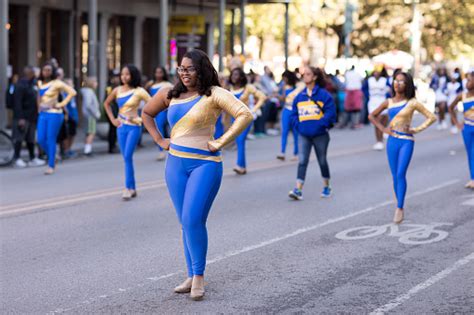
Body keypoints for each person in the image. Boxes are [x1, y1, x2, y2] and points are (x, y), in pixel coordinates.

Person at [141, 49, 252, 301]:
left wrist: (220, 142)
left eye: (189, 68)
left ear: (201, 69)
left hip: (205, 165)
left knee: (192, 219)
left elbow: (245, 114)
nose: (184, 73)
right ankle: (191, 274)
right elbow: (147, 113)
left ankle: (199, 277)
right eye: (181, 68)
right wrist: (160, 139)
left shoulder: (214, 94)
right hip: (175, 166)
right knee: (185, 222)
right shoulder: (170, 94)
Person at [369, 72, 436, 224]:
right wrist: (383, 129)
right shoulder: (388, 102)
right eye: (396, 80)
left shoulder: (412, 102)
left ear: (408, 85)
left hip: (407, 141)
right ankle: (398, 201)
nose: (397, 83)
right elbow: (371, 116)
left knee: (400, 173)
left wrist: (416, 129)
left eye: (402, 81)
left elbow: (432, 117)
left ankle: (400, 207)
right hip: (392, 141)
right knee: (394, 175)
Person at [288, 66, 337, 200]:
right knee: (302, 160)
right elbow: (293, 115)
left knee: (322, 160)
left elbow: (331, 113)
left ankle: (327, 186)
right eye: (304, 74)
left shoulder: (324, 95)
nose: (305, 76)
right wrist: (299, 126)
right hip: (304, 134)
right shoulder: (299, 96)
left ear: (315, 77)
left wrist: (320, 124)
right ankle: (298, 189)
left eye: (308, 74)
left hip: (320, 134)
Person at [104, 65, 151, 200]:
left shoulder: (140, 91)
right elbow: (106, 103)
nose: (124, 77)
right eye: (122, 74)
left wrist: (140, 118)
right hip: (121, 127)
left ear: (133, 76)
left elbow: (154, 105)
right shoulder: (117, 90)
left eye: (127, 74)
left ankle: (127, 188)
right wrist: (113, 119)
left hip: (134, 127)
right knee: (126, 158)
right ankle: (133, 188)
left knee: (128, 156)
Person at [37, 62, 77, 175]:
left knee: (51, 138)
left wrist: (60, 104)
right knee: (40, 139)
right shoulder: (40, 82)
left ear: (53, 71)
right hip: (43, 114)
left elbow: (72, 92)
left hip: (55, 114)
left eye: (49, 70)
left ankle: (51, 165)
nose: (46, 72)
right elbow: (39, 95)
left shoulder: (57, 83)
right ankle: (53, 155)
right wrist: (38, 108)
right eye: (44, 70)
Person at [228, 67, 266, 175]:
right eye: (232, 74)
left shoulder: (248, 87)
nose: (234, 77)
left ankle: (239, 165)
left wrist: (253, 110)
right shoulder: (229, 88)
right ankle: (243, 167)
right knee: (239, 141)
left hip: (245, 118)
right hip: (233, 118)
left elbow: (262, 97)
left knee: (240, 140)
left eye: (236, 75)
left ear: (241, 77)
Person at [11, 66, 45, 168]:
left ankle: (32, 158)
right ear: (30, 73)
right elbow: (17, 103)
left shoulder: (33, 84)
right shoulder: (21, 85)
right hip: (23, 117)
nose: (37, 74)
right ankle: (16, 158)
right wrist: (20, 117)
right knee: (19, 138)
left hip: (32, 116)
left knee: (30, 138)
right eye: (35, 72)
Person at [448, 71, 474, 189]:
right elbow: (450, 108)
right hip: (467, 128)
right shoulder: (462, 95)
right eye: (466, 80)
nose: (466, 82)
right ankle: (472, 178)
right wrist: (457, 123)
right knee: (470, 153)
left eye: (469, 80)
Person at [145, 66, 173, 161]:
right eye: (156, 72)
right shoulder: (151, 84)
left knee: (160, 127)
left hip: (163, 110)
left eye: (160, 72)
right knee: (157, 128)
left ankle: (162, 150)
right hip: (153, 109)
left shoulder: (167, 84)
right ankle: (162, 149)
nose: (158, 74)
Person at [277, 70, 302, 161]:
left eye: (285, 78)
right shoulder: (284, 86)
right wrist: (277, 96)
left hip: (295, 111)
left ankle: (296, 153)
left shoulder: (298, 86)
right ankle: (282, 152)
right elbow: (283, 98)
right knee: (285, 131)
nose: (284, 80)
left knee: (296, 132)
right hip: (286, 110)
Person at [367, 65, 390, 150]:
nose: (376, 73)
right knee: (377, 122)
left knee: (383, 121)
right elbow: (364, 90)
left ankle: (382, 134)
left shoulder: (385, 80)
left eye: (378, 71)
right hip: (373, 103)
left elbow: (390, 91)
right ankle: (379, 141)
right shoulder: (369, 80)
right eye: (375, 71)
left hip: (382, 102)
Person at [81, 77, 101, 156]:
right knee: (91, 132)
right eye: (95, 82)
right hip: (90, 115)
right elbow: (88, 105)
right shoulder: (89, 92)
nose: (96, 84)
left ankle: (87, 148)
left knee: (88, 132)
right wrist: (96, 113)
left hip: (87, 115)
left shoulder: (87, 91)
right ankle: (87, 150)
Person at [62, 78, 79, 159]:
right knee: (67, 134)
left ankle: (69, 149)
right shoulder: (64, 94)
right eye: (69, 84)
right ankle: (66, 150)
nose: (71, 85)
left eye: (71, 84)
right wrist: (67, 115)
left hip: (74, 117)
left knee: (72, 134)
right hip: (68, 118)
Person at [106, 70, 121, 153]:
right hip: (112, 110)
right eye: (115, 77)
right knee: (112, 129)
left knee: (115, 129)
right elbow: (109, 100)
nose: (116, 79)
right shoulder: (110, 88)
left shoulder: (119, 87)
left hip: (117, 110)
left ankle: (114, 145)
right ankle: (111, 147)